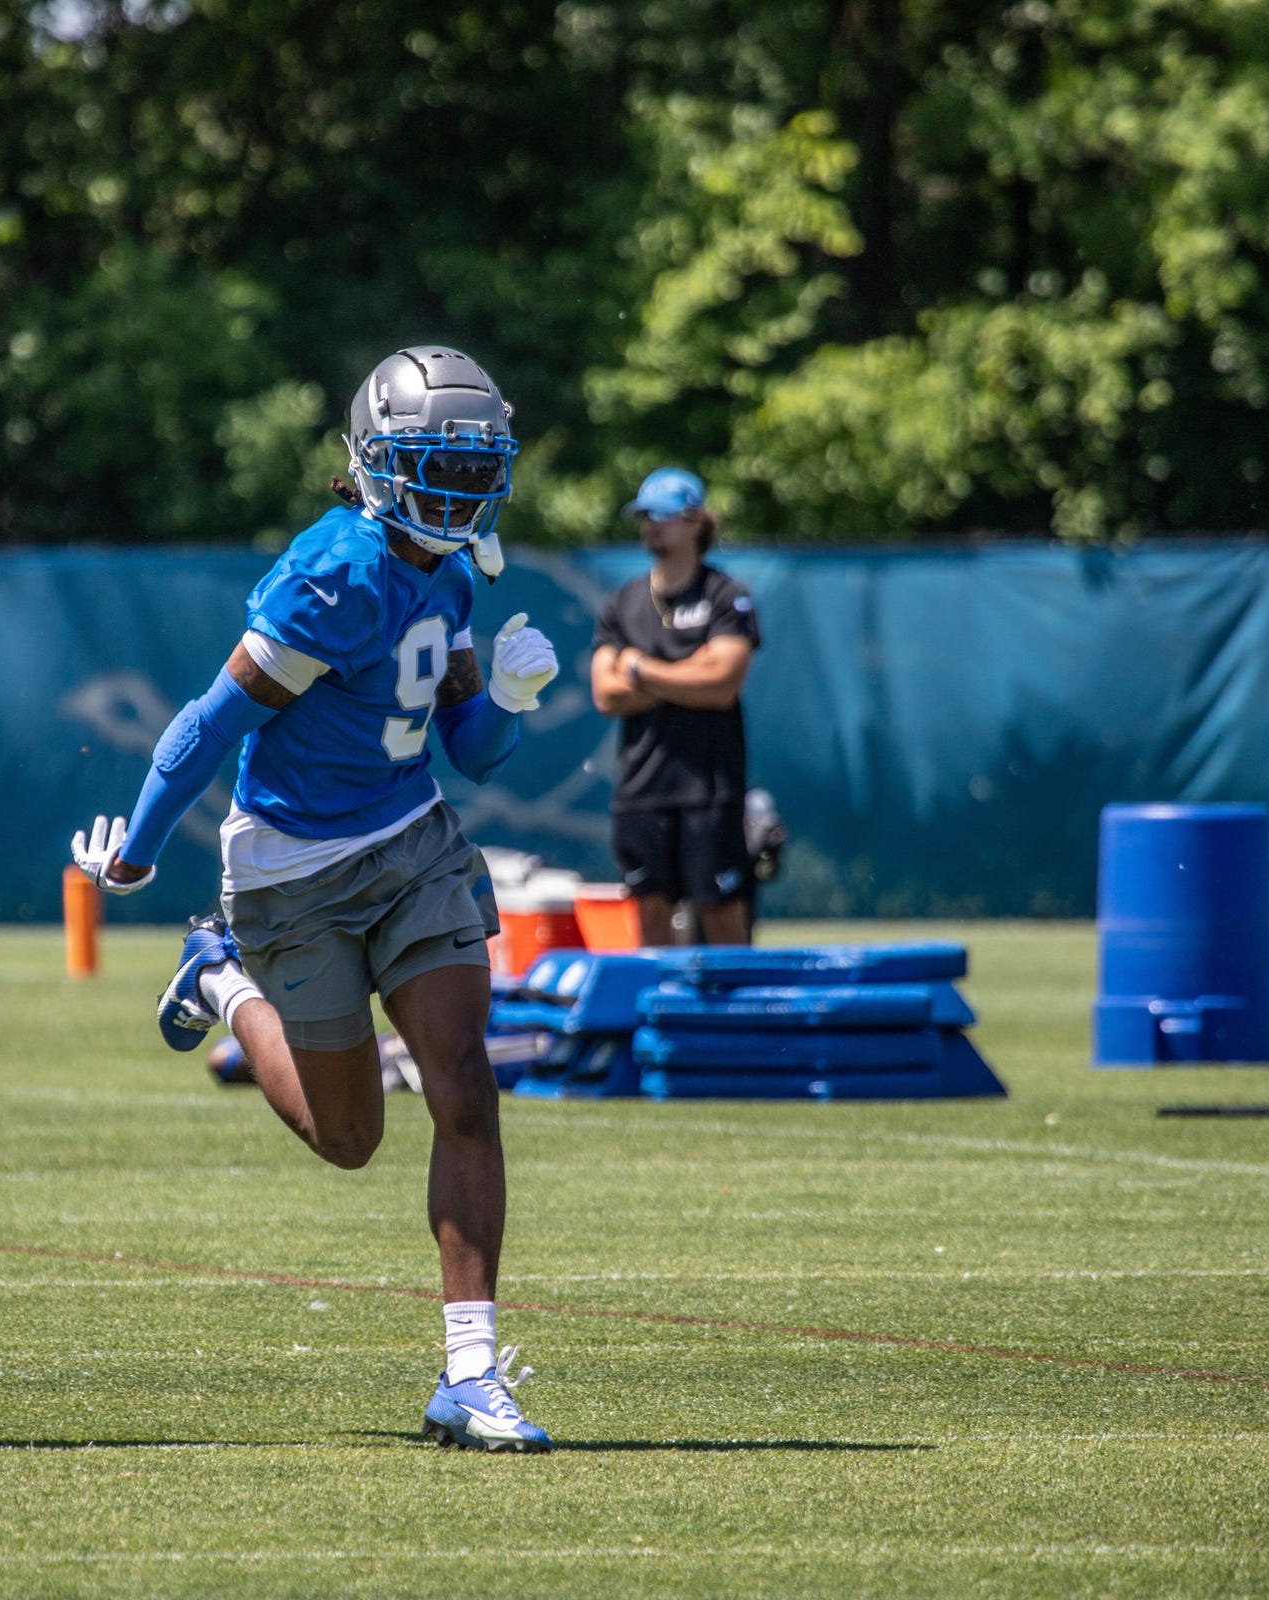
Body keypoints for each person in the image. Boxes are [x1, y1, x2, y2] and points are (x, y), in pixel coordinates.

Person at [71, 346, 562, 1453]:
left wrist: (513, 698)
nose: (458, 491)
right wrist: (138, 853)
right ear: (377, 462)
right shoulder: (332, 576)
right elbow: (209, 724)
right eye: (435, 466)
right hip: (295, 869)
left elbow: (471, 749)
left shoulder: (451, 571)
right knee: (350, 1138)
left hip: (414, 841)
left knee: (464, 1085)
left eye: (473, 468)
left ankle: (470, 1375)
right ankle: (221, 978)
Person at [589, 468, 762, 946]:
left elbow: (721, 685)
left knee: (724, 918)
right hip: (642, 789)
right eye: (645, 515)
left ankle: (735, 1000)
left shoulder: (726, 595)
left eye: (662, 515)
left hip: (710, 787)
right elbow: (606, 694)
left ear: (695, 522)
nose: (651, 525)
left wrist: (639, 668)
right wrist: (691, 668)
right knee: (651, 919)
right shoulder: (622, 602)